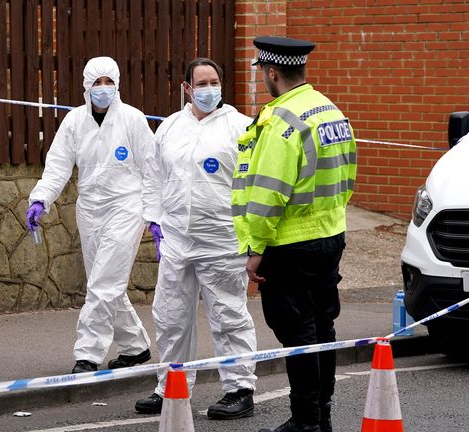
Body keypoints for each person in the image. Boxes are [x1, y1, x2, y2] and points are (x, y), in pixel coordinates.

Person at [232, 36, 357, 432]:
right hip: (330, 234)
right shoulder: (329, 110)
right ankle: (320, 417)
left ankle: (305, 422)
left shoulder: (281, 120)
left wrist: (255, 247)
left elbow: (269, 193)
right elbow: (349, 174)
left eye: (262, 74)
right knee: (323, 328)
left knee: (298, 333)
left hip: (289, 243)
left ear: (272, 72)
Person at [134, 58, 258, 419]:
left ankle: (239, 388)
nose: (208, 90)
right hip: (176, 241)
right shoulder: (170, 128)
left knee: (228, 315)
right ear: (186, 88)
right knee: (171, 316)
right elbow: (153, 177)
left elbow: (252, 184)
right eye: (201, 83)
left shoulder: (240, 127)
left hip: (222, 240)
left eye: (213, 82)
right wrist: (154, 219)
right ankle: (171, 385)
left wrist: (253, 234)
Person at [26, 56, 153, 374]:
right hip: (90, 209)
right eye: (97, 82)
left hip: (127, 206)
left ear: (118, 84)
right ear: (86, 86)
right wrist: (41, 199)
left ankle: (88, 354)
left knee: (103, 283)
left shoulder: (132, 120)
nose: (103, 88)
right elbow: (57, 165)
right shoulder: (74, 122)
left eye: (109, 82)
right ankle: (135, 347)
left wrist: (156, 214)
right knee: (106, 282)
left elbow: (152, 168)